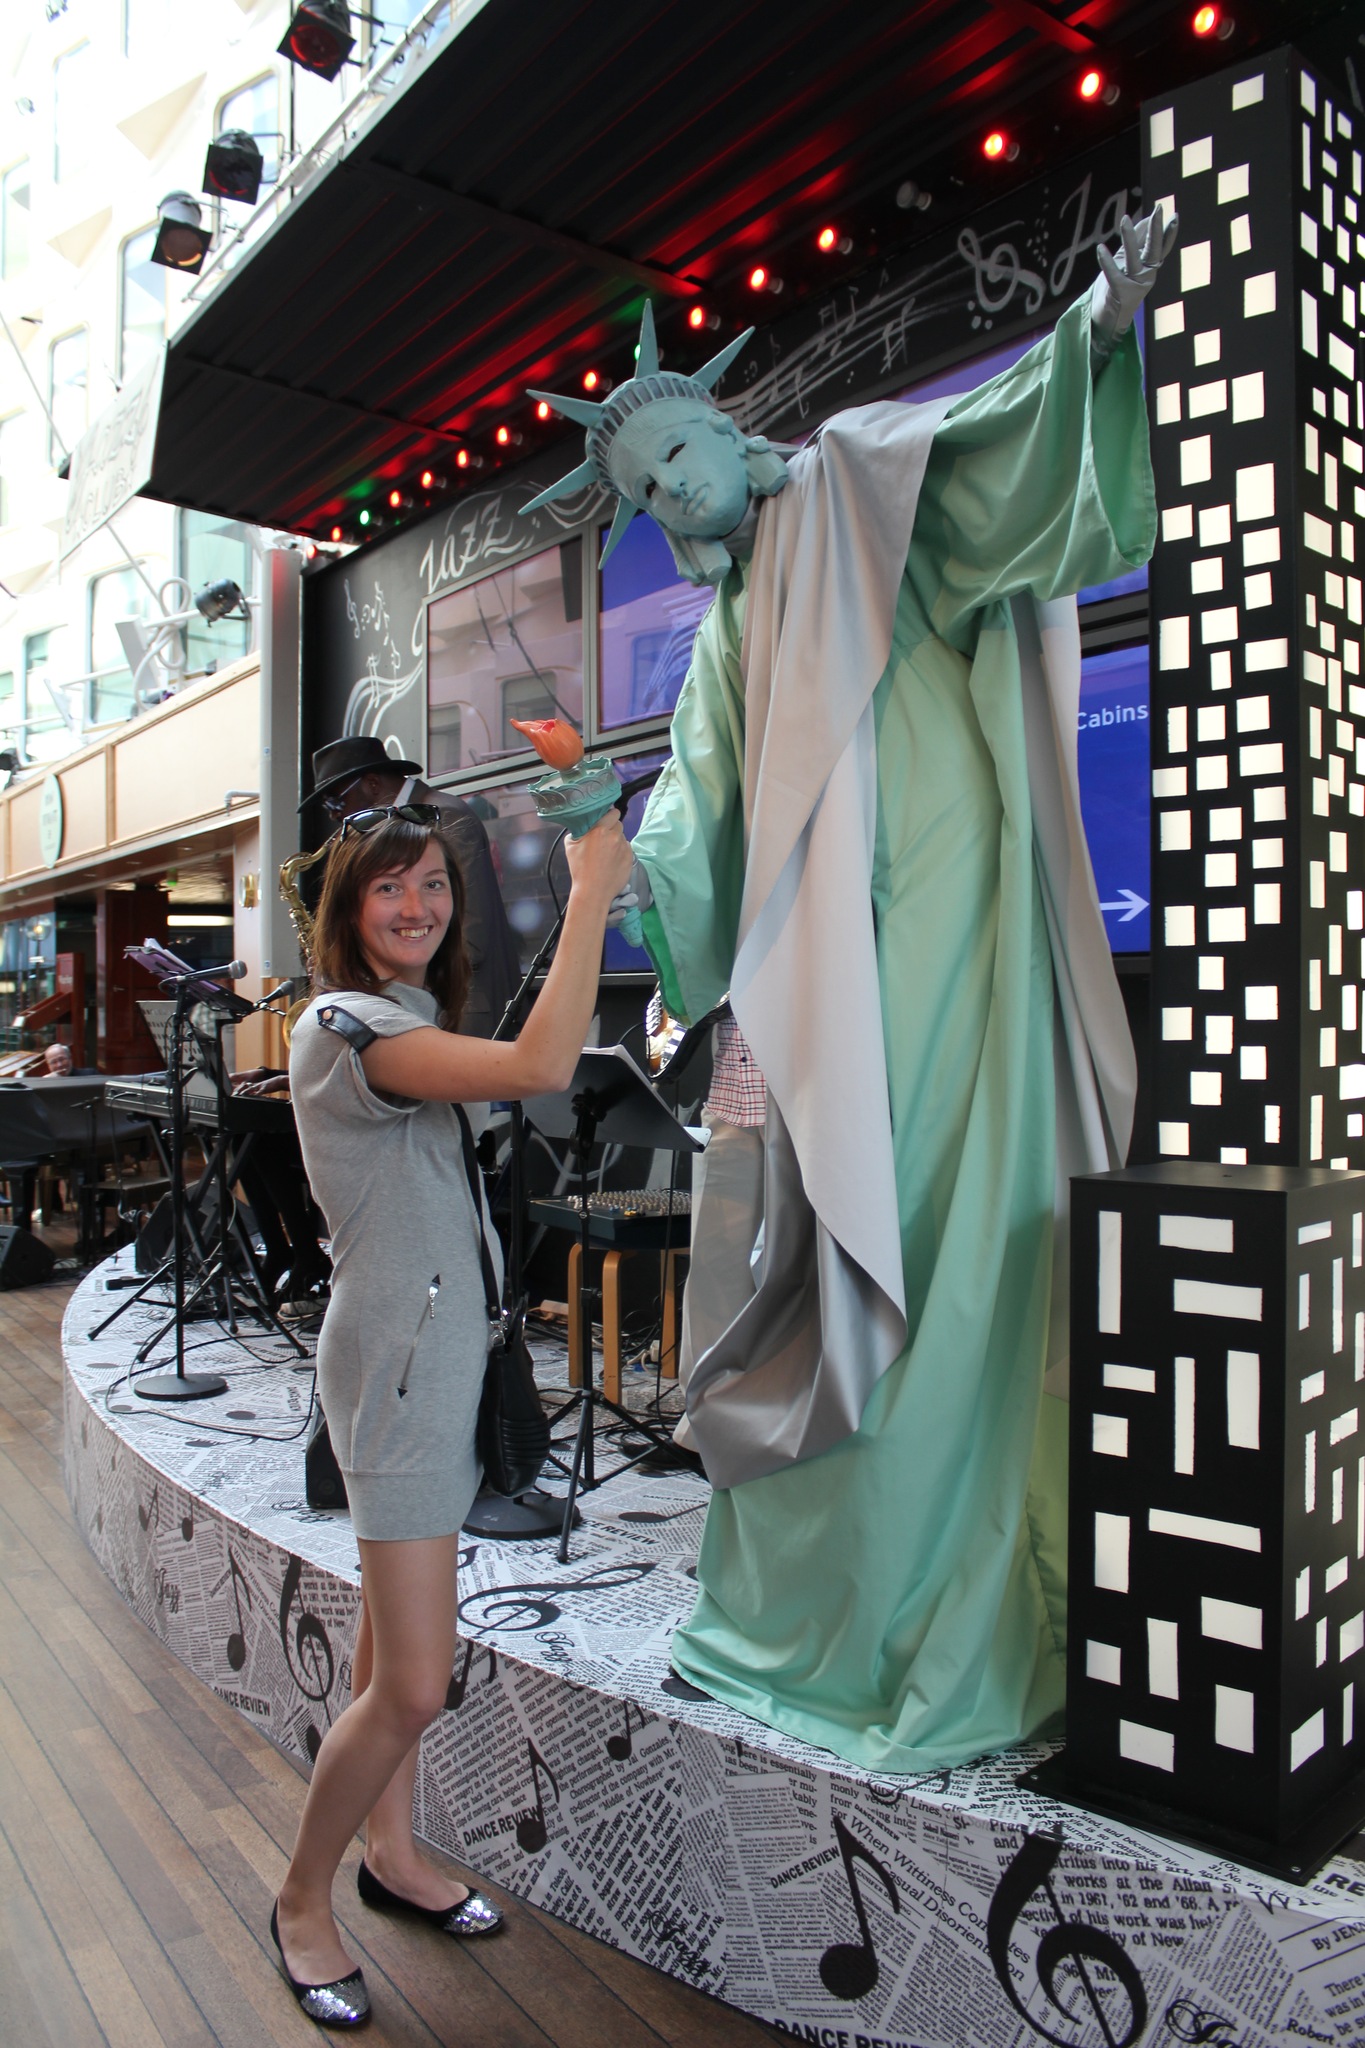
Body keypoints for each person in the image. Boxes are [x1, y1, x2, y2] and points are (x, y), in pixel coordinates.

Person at [521, 211, 1175, 1771]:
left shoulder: (856, 480)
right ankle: (805, 1605)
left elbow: (992, 463)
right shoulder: (732, 627)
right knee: (798, 1261)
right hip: (817, 985)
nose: (674, 494)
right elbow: (698, 821)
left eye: (677, 456)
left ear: (728, 430)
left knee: (944, 1250)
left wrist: (1091, 333)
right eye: (645, 492)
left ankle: (934, 1600)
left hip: (947, 938)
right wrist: (608, 835)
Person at [275, 798, 632, 2026]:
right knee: (418, 1682)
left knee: (388, 1646)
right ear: (346, 908)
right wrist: (591, 894)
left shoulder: (405, 1017)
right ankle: (301, 1899)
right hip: (400, 1371)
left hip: (428, 1357)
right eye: (389, 886)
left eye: (432, 882)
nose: (417, 904)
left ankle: (392, 1850)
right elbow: (538, 1069)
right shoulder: (348, 1024)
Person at [303, 735, 521, 1037]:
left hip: (460, 1014)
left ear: (372, 784)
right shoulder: (406, 824)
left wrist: (367, 973)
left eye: (335, 800)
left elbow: (471, 936)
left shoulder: (444, 816)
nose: (333, 814)